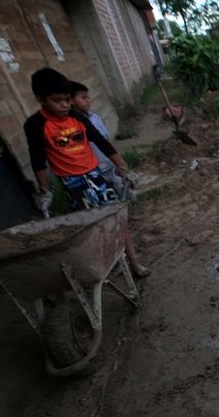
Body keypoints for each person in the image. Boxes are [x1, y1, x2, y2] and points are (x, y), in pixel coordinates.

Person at [24, 67, 150, 277]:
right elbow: (37, 160)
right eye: (57, 100)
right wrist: (45, 190)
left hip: (96, 176)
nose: (65, 105)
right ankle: (107, 264)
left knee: (116, 218)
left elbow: (101, 142)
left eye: (67, 99)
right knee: (92, 228)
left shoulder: (77, 117)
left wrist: (123, 167)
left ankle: (135, 264)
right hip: (73, 185)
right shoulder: (36, 125)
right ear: (40, 99)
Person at [70, 81, 133, 202]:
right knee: (105, 196)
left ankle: (128, 209)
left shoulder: (95, 117)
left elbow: (106, 140)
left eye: (88, 97)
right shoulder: (74, 124)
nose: (88, 100)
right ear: (71, 100)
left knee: (123, 189)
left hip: (109, 162)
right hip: (95, 169)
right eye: (83, 98)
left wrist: (118, 160)